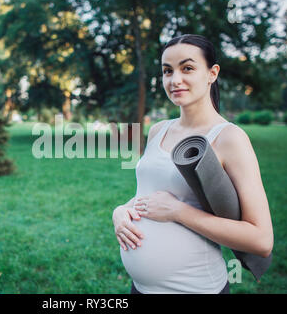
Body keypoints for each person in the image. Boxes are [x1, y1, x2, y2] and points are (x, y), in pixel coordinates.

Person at [112, 34, 274, 294]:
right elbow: (149, 194)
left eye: (187, 68)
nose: (175, 80)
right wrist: (120, 211)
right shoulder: (158, 131)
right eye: (167, 71)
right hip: (140, 289)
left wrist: (178, 212)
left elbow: (262, 240)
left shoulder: (229, 138)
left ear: (212, 73)